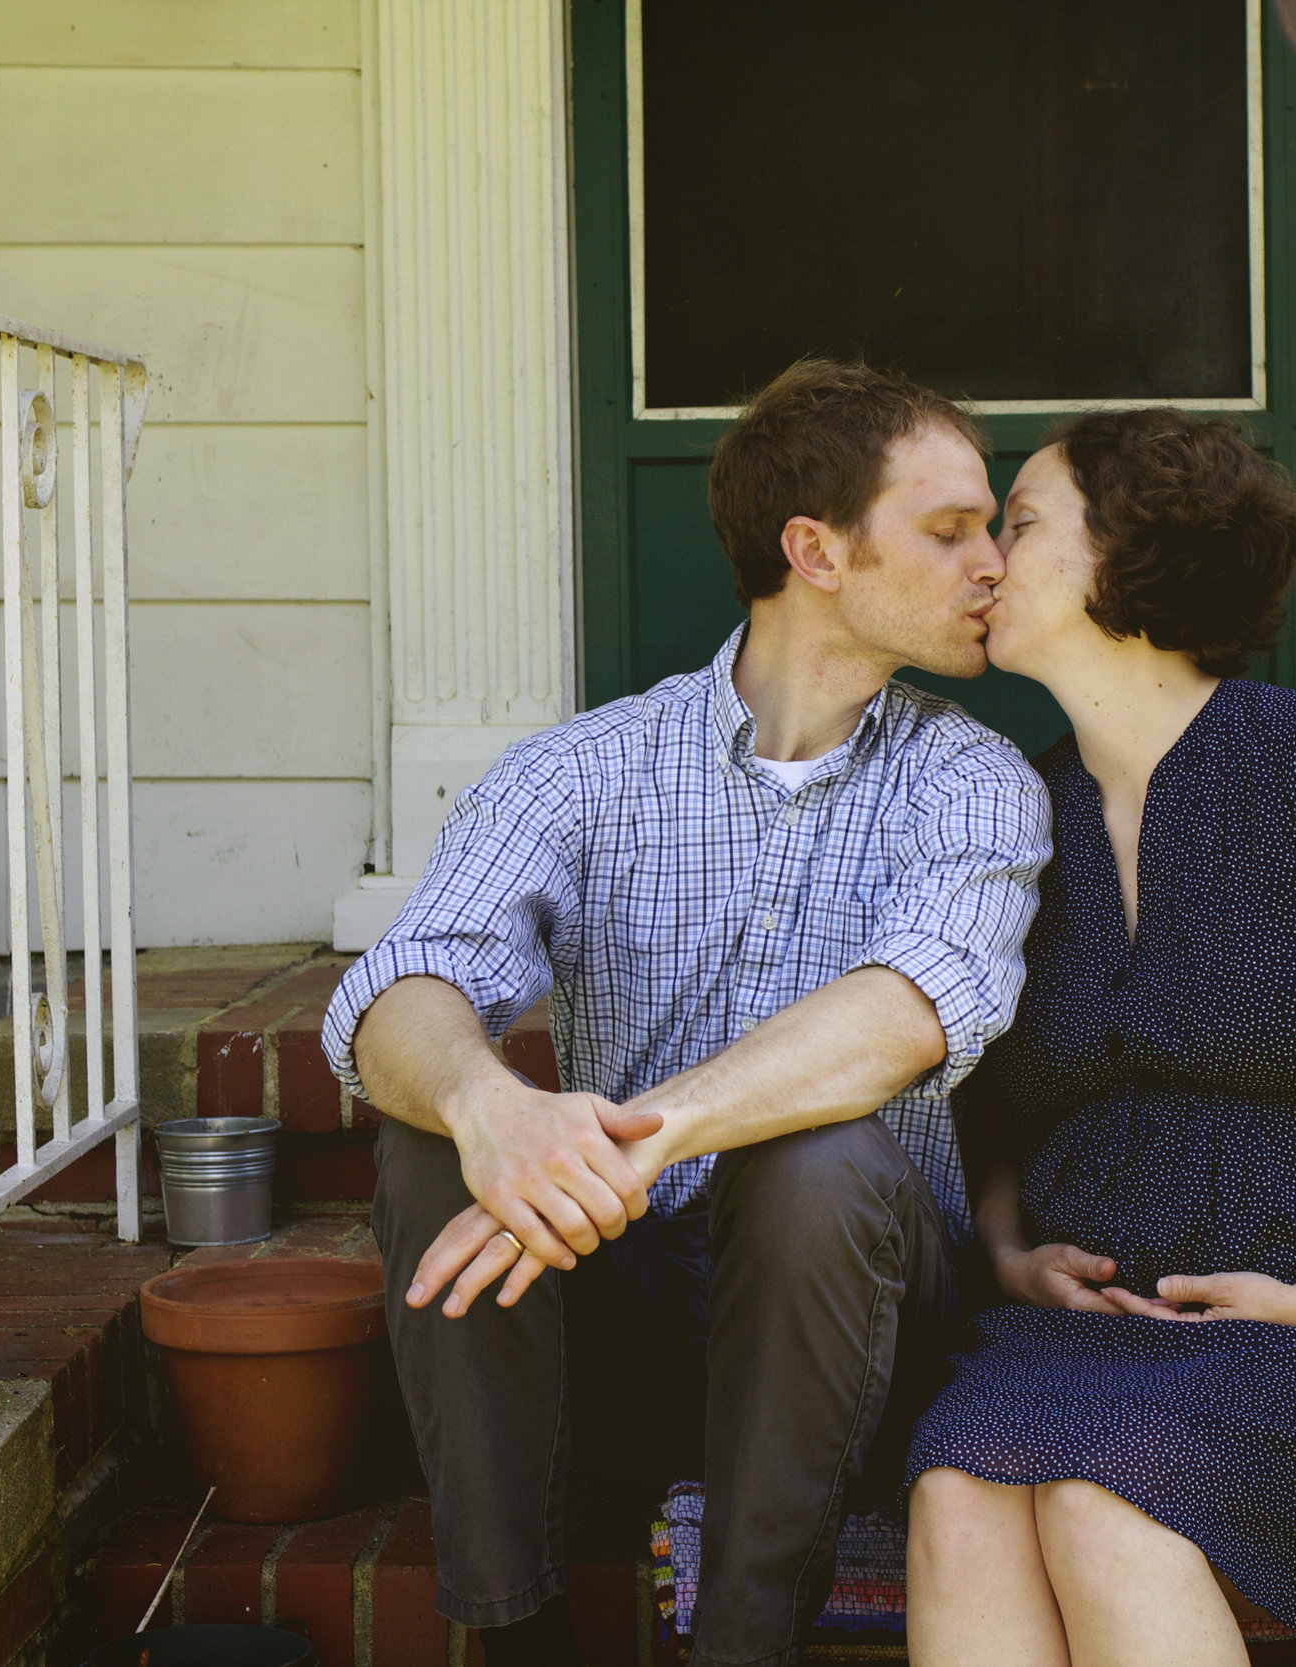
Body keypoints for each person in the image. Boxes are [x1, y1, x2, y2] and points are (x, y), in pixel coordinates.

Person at [322, 359, 1052, 1667]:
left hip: (874, 1318)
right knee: (434, 1130)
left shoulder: (973, 780)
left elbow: (910, 1012)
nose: (995, 560)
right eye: (951, 530)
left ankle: (744, 1640)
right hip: (636, 1315)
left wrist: (641, 1137)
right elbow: (404, 983)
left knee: (818, 1152)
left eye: (991, 527)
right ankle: (515, 1629)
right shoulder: (580, 768)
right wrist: (492, 1105)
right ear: (815, 549)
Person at [901, 410, 1296, 1667]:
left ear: (1127, 554)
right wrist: (1011, 1248)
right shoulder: (1025, 810)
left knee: (1104, 1504)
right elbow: (1009, 1107)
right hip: (1086, 1325)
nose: (985, 558)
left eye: (1017, 524)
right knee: (953, 1497)